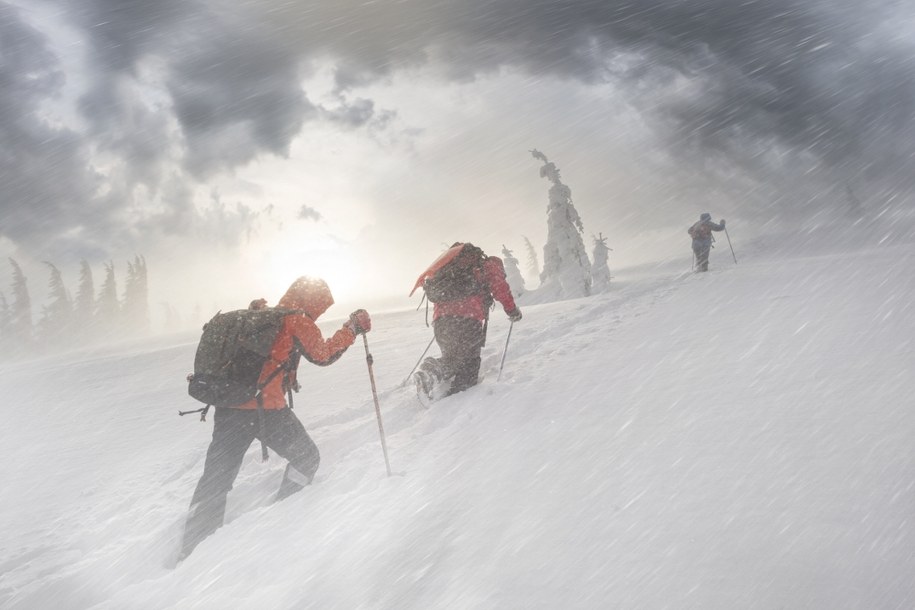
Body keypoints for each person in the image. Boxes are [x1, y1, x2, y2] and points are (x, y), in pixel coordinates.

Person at [179, 277, 371, 560]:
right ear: (313, 301)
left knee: (216, 479)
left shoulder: (260, 315)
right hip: (265, 410)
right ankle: (285, 514)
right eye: (321, 305)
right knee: (307, 458)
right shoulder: (297, 320)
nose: (321, 312)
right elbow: (323, 355)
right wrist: (351, 330)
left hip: (229, 406)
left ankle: (192, 551)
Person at [414, 242, 521, 399]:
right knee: (469, 364)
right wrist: (512, 310)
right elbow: (500, 287)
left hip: (441, 321)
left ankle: (431, 372)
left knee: (453, 358)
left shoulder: (447, 266)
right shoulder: (487, 264)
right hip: (468, 320)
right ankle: (455, 401)